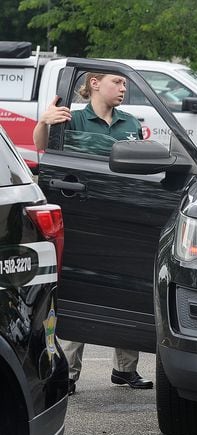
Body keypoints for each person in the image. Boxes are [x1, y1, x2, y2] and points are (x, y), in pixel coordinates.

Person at [33, 72, 153, 394]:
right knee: (84, 288)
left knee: (125, 285)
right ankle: (69, 373)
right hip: (85, 215)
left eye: (125, 83)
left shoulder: (130, 123)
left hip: (122, 215)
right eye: (118, 82)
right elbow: (42, 146)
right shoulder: (70, 118)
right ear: (95, 83)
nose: (124, 88)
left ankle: (125, 369)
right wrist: (45, 122)